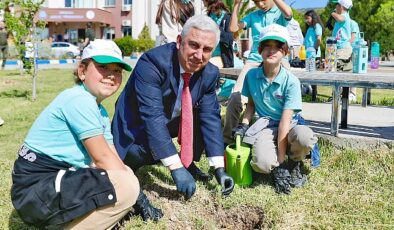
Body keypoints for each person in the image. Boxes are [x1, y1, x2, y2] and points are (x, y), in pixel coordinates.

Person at [112, 15, 235, 221]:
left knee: (202, 113)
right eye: (193, 45)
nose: (199, 55)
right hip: (135, 126)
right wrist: (174, 167)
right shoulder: (152, 62)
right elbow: (152, 117)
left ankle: (189, 162)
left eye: (206, 50)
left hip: (171, 117)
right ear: (179, 42)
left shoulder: (209, 73)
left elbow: (210, 118)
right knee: (134, 159)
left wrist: (219, 167)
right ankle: (163, 163)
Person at [11, 39, 139, 229]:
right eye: (103, 67)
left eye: (117, 71)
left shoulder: (99, 110)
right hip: (36, 189)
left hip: (47, 183)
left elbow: (112, 157)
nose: (112, 76)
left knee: (126, 177)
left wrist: (130, 184)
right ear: (82, 71)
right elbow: (103, 159)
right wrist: (132, 192)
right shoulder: (79, 99)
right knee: (126, 186)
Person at [232, 24, 318, 194]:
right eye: (267, 46)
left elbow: (285, 123)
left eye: (277, 47)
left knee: (305, 137)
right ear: (260, 49)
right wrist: (244, 124)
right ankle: (276, 166)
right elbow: (251, 105)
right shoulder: (251, 76)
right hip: (266, 125)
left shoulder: (291, 81)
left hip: (289, 125)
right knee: (261, 165)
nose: (271, 51)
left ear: (285, 52)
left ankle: (294, 163)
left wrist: (280, 161)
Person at [223, 0, 293, 145]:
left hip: (278, 58)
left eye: (262, 0)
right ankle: (227, 140)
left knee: (287, 93)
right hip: (255, 59)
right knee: (235, 97)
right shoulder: (253, 16)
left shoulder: (279, 12)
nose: (260, 4)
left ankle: (287, 136)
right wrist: (236, 4)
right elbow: (233, 28)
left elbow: (288, 13)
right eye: (256, 1)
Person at [204, 0, 234, 68]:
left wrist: (218, 28)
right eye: (211, 9)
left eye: (214, 9)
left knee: (208, 65)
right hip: (208, 53)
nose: (212, 11)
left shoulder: (227, 17)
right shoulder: (208, 17)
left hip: (222, 57)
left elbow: (229, 40)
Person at [331, 0, 353, 72]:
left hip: (343, 48)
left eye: (336, 5)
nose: (335, 7)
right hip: (339, 48)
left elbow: (340, 18)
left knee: (340, 70)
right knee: (337, 70)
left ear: (341, 6)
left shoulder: (345, 16)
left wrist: (333, 13)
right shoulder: (342, 17)